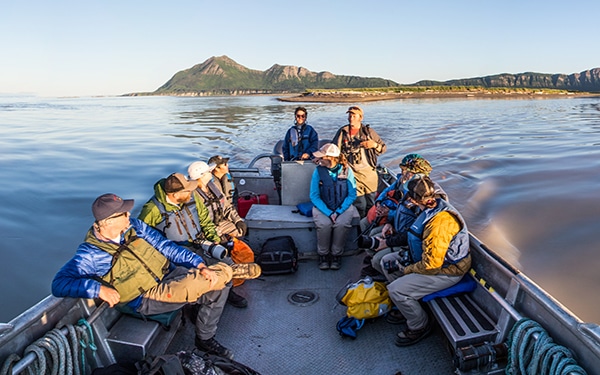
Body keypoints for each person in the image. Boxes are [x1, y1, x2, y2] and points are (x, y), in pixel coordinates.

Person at [51, 193, 260, 360]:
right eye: (123, 213)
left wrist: (198, 263)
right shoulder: (90, 254)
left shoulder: (135, 226)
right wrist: (98, 289)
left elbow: (165, 246)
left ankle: (204, 338)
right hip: (147, 298)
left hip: (167, 275)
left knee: (217, 286)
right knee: (207, 279)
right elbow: (59, 283)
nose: (128, 216)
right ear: (107, 222)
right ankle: (229, 270)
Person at [381, 176, 471, 346]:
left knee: (396, 290)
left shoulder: (439, 222)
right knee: (386, 262)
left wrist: (406, 269)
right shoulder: (428, 207)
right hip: (428, 262)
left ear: (415, 199)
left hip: (447, 271)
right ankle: (407, 309)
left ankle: (419, 325)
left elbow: (432, 265)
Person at [137, 173, 248, 308]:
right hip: (177, 254)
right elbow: (142, 240)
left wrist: (215, 240)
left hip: (200, 244)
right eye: (187, 190)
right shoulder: (152, 210)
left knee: (226, 262)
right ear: (175, 194)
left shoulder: (193, 198)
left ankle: (227, 292)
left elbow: (205, 221)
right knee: (195, 277)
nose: (192, 192)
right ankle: (196, 305)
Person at [309, 143, 358, 270]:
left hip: (343, 206)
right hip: (323, 207)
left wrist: (339, 211)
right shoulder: (318, 171)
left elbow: (352, 195)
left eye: (321, 157)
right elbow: (314, 196)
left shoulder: (347, 171)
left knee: (341, 224)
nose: (318, 160)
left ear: (330, 158)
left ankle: (336, 255)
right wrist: (329, 213)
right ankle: (323, 255)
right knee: (324, 225)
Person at [332, 105, 386, 218]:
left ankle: (369, 225)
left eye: (354, 115)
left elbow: (383, 148)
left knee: (371, 203)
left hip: (369, 173)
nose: (351, 118)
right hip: (352, 173)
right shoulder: (343, 132)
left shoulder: (369, 132)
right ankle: (360, 226)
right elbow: (333, 149)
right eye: (350, 115)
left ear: (360, 117)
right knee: (359, 203)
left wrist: (374, 145)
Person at [188, 161, 247, 239]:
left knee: (241, 232)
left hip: (221, 222)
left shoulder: (213, 186)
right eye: (209, 171)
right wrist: (218, 234)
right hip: (208, 228)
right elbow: (200, 222)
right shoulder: (193, 195)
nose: (211, 172)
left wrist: (238, 220)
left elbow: (226, 206)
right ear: (202, 176)